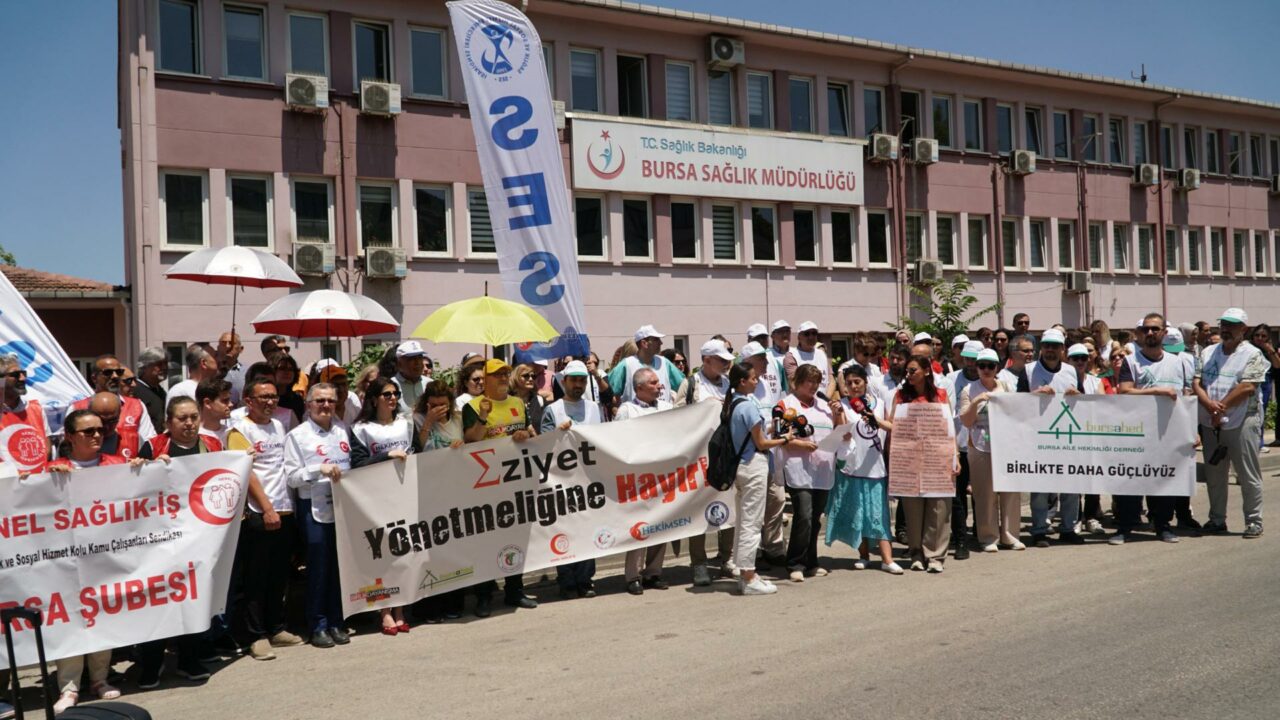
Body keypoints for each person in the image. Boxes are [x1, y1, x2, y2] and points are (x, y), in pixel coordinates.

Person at [133, 396, 223, 687]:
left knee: (192, 600)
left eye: (194, 417)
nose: (189, 423)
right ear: (168, 422)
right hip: (159, 540)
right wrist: (147, 467)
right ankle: (151, 663)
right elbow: (134, 487)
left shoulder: (212, 445)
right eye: (182, 418)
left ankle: (189, 660)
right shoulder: (154, 446)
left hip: (198, 538)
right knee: (158, 601)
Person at [47, 410, 126, 712]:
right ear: (69, 436)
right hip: (65, 562)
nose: (96, 435)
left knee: (103, 615)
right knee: (69, 621)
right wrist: (41, 481)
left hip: (105, 557)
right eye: (88, 431)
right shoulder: (52, 470)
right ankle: (69, 688)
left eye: (100, 430)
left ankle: (99, 679)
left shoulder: (116, 465)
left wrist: (145, 470)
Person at [225, 378, 304, 661]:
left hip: (285, 508)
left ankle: (276, 627)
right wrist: (267, 508)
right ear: (248, 401)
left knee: (278, 574)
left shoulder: (279, 426)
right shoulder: (239, 430)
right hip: (259, 512)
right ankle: (255, 635)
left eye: (273, 396)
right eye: (263, 397)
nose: (270, 402)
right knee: (255, 578)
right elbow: (247, 473)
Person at [462, 359, 538, 613]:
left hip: (515, 483)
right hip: (485, 486)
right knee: (486, 541)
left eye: (506, 373)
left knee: (515, 537)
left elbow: (528, 435)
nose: (504, 378)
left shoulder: (518, 403)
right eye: (497, 374)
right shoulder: (473, 406)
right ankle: (484, 596)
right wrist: (483, 416)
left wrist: (524, 435)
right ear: (486, 379)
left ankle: (514, 591)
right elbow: (470, 440)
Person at [1114, 313, 1193, 545]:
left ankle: (1163, 526)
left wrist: (1192, 430)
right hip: (1137, 433)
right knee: (1131, 480)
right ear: (1140, 333)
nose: (1150, 333)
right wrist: (1157, 391)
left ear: (1164, 333)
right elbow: (1124, 391)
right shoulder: (1131, 361)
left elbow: (1186, 397)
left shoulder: (1178, 362)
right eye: (1146, 329)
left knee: (1164, 480)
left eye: (1155, 329)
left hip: (1168, 432)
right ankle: (1124, 527)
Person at [283, 383, 352, 648]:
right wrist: (317, 469)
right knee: (319, 567)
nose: (326, 405)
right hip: (313, 507)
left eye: (331, 401)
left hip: (342, 507)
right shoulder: (297, 436)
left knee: (338, 566)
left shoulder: (342, 429)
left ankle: (336, 621)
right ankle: (318, 624)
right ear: (309, 404)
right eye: (320, 400)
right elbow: (292, 477)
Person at [349, 377, 415, 635]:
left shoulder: (405, 423)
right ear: (374, 399)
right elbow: (357, 463)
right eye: (387, 394)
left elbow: (417, 452)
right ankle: (384, 610)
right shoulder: (361, 429)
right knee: (381, 555)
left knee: (403, 551)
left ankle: (400, 609)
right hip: (375, 498)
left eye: (395, 393)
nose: (392, 398)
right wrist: (385, 456)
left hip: (404, 494)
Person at [1195, 308, 1267, 539]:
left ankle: (1254, 521)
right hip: (1211, 421)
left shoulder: (1253, 354)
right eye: (1224, 324)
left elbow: (1248, 387)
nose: (1226, 329)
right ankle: (1217, 519)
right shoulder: (1208, 352)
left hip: (1242, 420)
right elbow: (1197, 382)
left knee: (1247, 474)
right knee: (1215, 474)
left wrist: (1220, 407)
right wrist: (1210, 406)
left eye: (1232, 325)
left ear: (1243, 329)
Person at [724, 362, 793, 595]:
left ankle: (744, 572)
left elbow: (755, 436)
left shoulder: (733, 404)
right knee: (752, 523)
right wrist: (785, 439)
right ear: (742, 381)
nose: (757, 381)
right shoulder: (748, 406)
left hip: (741, 467)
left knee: (745, 520)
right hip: (753, 465)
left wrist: (772, 433)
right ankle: (749, 575)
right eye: (753, 378)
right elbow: (761, 443)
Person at [826, 365, 902, 573]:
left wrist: (875, 419)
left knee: (879, 515)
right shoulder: (842, 405)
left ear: (866, 382)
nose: (853, 386)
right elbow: (841, 434)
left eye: (857, 382)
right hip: (852, 467)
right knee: (858, 515)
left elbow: (892, 426)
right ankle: (863, 555)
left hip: (876, 467)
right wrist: (838, 415)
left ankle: (887, 559)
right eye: (849, 383)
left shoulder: (879, 403)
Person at [672, 340, 736, 586]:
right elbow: (677, 417)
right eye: (721, 360)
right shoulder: (691, 384)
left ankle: (727, 558)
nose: (726, 364)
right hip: (698, 456)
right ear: (707, 360)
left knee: (728, 503)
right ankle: (699, 563)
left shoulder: (729, 384)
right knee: (698, 509)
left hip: (725, 455)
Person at [541, 361, 603, 599]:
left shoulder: (594, 408)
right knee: (564, 531)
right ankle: (567, 582)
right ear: (564, 381)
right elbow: (543, 446)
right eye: (574, 380)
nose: (578, 384)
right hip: (562, 481)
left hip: (589, 480)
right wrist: (557, 433)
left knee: (587, 530)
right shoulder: (553, 410)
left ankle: (585, 580)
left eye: (582, 380)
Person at [1019, 328, 1084, 547]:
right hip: (1039, 438)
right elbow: (1016, 404)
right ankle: (1039, 530)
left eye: (1055, 346)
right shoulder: (1028, 371)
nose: (1050, 350)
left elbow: (1085, 403)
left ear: (1062, 349)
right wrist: (1034, 395)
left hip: (1067, 437)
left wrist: (1078, 396)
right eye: (1046, 346)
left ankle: (1068, 528)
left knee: (1071, 487)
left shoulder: (1072, 371)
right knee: (1040, 489)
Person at [890, 355, 955, 573]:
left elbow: (949, 428)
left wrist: (955, 456)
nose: (908, 375)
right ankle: (916, 553)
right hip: (909, 459)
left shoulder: (941, 395)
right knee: (913, 509)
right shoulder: (901, 396)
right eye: (907, 371)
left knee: (938, 507)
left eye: (913, 370)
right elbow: (893, 425)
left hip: (938, 457)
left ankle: (935, 555)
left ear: (927, 371)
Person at [616, 368, 674, 594]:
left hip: (664, 476)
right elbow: (617, 441)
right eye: (653, 383)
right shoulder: (627, 410)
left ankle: (653, 572)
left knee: (662, 523)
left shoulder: (667, 408)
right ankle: (633, 575)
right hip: (638, 478)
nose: (659, 386)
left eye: (659, 382)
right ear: (639, 388)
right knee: (639, 526)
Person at [960, 349, 1023, 552]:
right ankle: (988, 537)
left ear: (997, 367)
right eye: (982, 365)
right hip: (980, 445)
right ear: (976, 367)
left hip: (1006, 445)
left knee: (1010, 492)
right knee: (985, 493)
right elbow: (966, 420)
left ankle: (1010, 535)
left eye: (990, 366)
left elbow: (1017, 414)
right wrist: (977, 401)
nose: (986, 369)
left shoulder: (1007, 387)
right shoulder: (968, 390)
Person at [779, 364, 837, 581]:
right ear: (798, 382)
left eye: (817, 382)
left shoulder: (824, 405)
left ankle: (811, 561)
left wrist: (839, 414)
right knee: (803, 515)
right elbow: (780, 436)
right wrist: (802, 445)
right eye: (809, 381)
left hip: (823, 469)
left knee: (815, 518)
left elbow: (840, 431)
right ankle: (795, 562)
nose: (813, 386)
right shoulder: (786, 404)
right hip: (799, 468)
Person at [738, 341, 788, 568]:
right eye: (760, 359)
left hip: (773, 450)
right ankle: (754, 550)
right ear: (748, 362)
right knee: (754, 506)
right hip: (753, 454)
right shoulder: (742, 389)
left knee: (777, 499)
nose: (766, 362)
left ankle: (774, 547)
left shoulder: (767, 382)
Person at [71, 355, 156, 458]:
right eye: (108, 372)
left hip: (128, 466)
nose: (115, 376)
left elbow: (150, 443)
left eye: (119, 372)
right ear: (94, 378)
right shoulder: (77, 408)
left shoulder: (137, 406)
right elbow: (67, 446)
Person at [945, 340, 985, 559]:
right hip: (958, 444)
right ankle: (961, 539)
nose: (970, 363)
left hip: (982, 445)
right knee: (957, 496)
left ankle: (981, 531)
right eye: (967, 358)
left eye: (974, 360)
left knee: (980, 493)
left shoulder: (988, 379)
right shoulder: (951, 379)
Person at [0, 354, 52, 476]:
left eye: (23, 373)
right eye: (15, 375)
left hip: (37, 482)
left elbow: (47, 449)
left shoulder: (36, 409)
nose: (23, 378)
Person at [608, 325, 685, 405]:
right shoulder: (627, 365)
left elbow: (683, 386)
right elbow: (608, 391)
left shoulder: (664, 363)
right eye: (656, 339)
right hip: (636, 412)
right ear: (644, 343)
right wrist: (616, 408)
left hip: (664, 413)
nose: (661, 343)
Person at [783, 320, 835, 398]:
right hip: (801, 402)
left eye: (814, 333)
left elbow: (831, 381)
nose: (811, 337)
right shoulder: (792, 355)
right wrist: (811, 402)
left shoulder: (821, 353)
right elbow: (794, 383)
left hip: (823, 401)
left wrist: (825, 400)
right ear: (799, 337)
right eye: (807, 334)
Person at [1249, 324, 1279, 449]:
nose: (1260, 338)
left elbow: (1277, 365)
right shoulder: (1247, 348)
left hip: (1265, 382)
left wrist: (1270, 350)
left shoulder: (1270, 350)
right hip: (1249, 381)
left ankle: (1259, 441)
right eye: (1257, 335)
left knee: (1261, 410)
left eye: (1263, 336)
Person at [133, 346, 169, 429]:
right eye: (159, 364)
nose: (164, 367)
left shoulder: (161, 392)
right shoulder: (135, 391)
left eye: (166, 363)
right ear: (144, 366)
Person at [391, 340, 430, 416]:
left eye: (420, 358)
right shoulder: (390, 386)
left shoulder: (429, 384)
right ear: (399, 364)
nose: (417, 362)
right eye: (412, 359)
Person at [196, 377, 233, 447]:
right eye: (225, 401)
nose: (231, 404)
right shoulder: (192, 437)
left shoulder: (231, 434)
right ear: (207, 403)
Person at [510, 362, 547, 432]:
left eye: (533, 376)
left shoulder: (539, 400)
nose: (530, 379)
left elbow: (546, 426)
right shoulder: (507, 400)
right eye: (526, 376)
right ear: (516, 377)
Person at [273, 354, 306, 422]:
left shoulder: (297, 400)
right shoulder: (266, 398)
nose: (287, 372)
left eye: (291, 369)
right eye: (282, 368)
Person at [218, 332, 246, 405]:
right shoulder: (211, 371)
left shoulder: (248, 372)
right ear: (218, 348)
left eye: (232, 343)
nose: (227, 346)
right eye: (223, 343)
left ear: (241, 349)